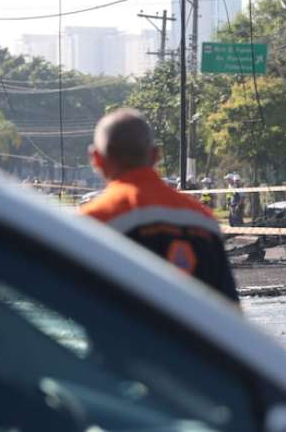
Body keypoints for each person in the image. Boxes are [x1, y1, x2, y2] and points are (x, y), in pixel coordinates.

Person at [80, 109, 238, 303]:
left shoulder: (93, 223)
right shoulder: (205, 221)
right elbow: (230, 311)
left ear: (96, 158)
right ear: (155, 155)